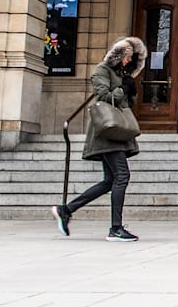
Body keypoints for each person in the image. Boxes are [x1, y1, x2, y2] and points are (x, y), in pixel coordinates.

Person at [51, 36, 147, 242]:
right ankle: (115, 228)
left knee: (110, 180)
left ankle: (66, 210)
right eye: (127, 56)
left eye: (132, 58)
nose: (129, 61)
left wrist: (130, 91)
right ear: (119, 56)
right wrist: (123, 89)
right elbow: (103, 97)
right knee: (122, 176)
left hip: (117, 132)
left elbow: (125, 103)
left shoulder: (121, 74)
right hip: (107, 131)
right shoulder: (101, 71)